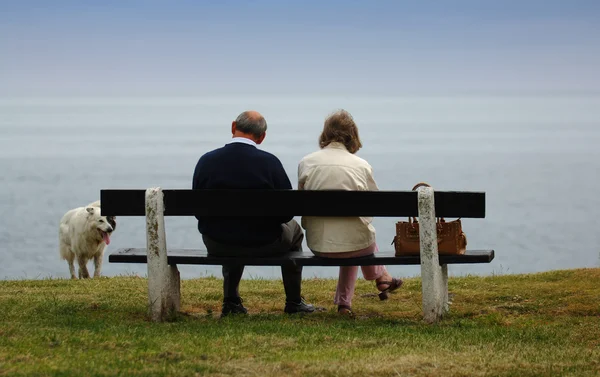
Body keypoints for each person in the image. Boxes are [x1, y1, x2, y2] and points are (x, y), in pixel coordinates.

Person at [192, 110, 315, 317]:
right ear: (261, 137)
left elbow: (197, 210)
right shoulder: (270, 163)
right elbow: (287, 213)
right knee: (294, 229)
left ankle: (231, 301)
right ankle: (294, 301)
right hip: (264, 243)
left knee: (230, 228)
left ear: (233, 127)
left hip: (217, 243)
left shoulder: (206, 161)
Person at [297, 109, 402, 316]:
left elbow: (301, 204)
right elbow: (374, 205)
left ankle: (348, 301)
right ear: (352, 136)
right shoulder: (361, 166)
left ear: (325, 134)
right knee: (355, 237)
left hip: (319, 244)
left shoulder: (306, 163)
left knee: (351, 236)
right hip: (356, 247)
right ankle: (380, 278)